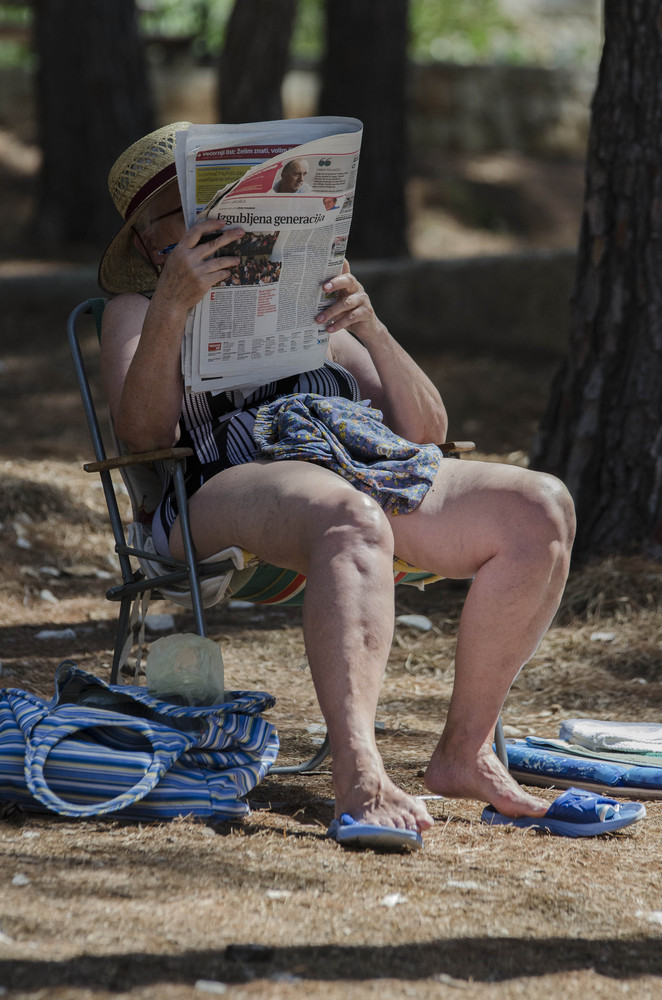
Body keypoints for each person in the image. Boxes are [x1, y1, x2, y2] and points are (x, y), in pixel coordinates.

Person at [98, 123, 576, 849]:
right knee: (350, 517)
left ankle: (464, 752)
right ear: (145, 241)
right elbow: (141, 437)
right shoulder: (135, 310)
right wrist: (173, 307)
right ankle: (359, 772)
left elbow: (424, 431)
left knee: (538, 506)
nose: (209, 223)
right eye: (185, 211)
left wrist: (371, 327)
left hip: (356, 463)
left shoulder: (306, 298)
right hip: (220, 482)